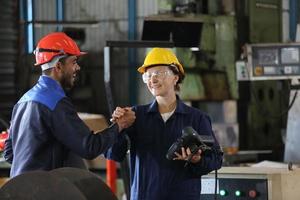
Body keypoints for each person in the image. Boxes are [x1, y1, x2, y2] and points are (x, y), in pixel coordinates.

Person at [3, 32, 135, 178]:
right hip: (43, 190)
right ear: (58, 66)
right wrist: (120, 125)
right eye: (73, 62)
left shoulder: (23, 101)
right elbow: (89, 147)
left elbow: (10, 153)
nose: (77, 68)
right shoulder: (55, 102)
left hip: (17, 190)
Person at [106, 48, 223, 200]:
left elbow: (216, 159)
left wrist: (197, 160)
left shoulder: (197, 118)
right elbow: (113, 154)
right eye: (147, 75)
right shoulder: (136, 116)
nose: (152, 80)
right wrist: (118, 127)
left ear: (176, 77)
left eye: (159, 73)